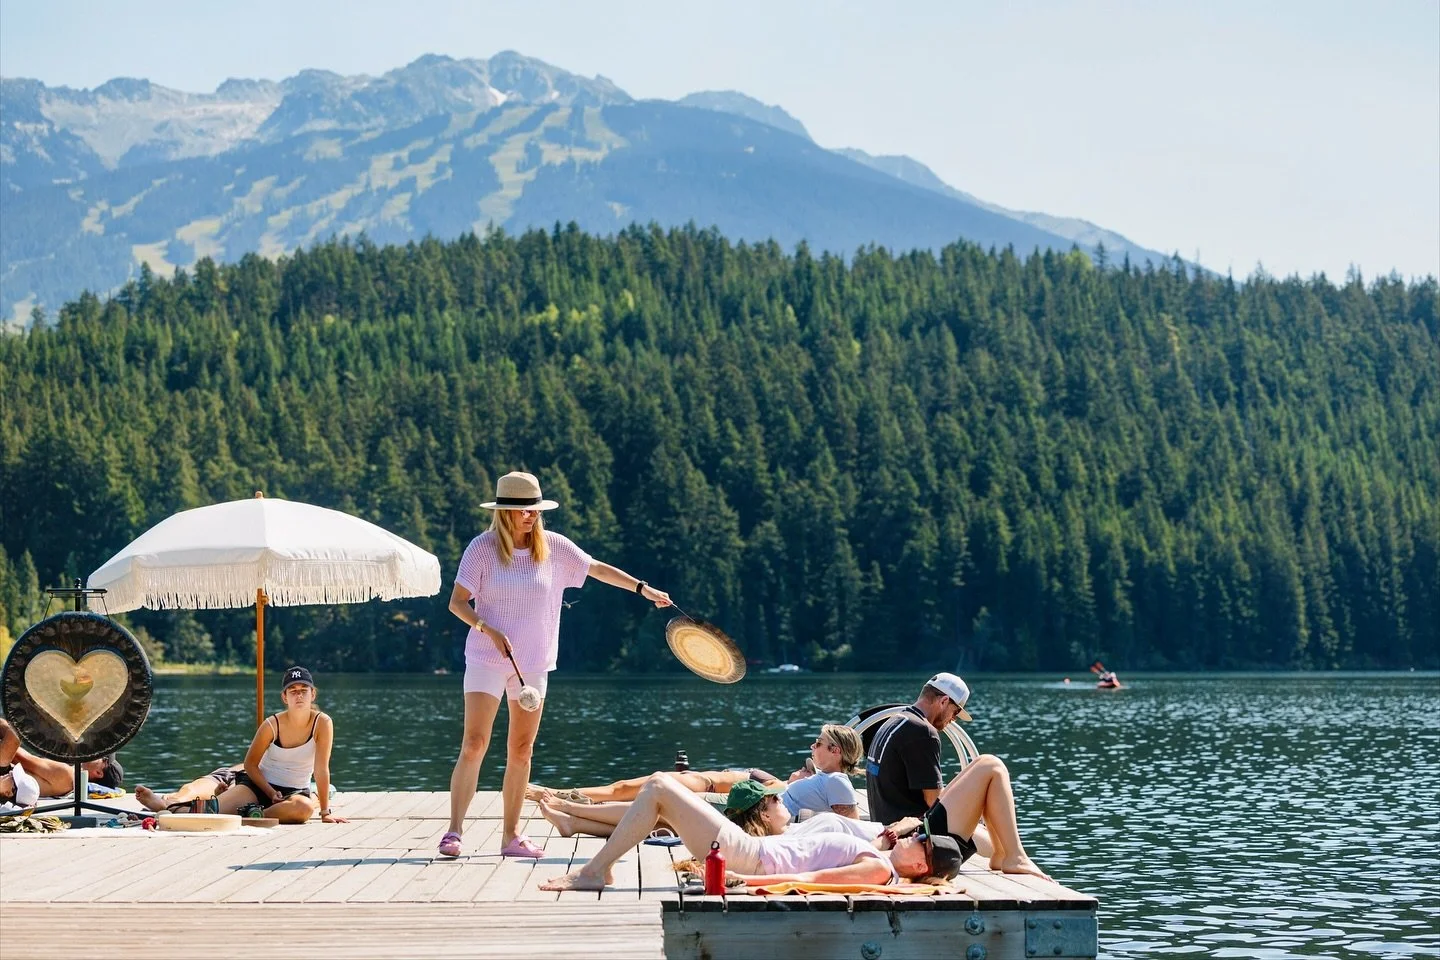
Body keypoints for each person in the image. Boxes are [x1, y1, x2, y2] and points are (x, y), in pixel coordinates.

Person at [439, 471, 672, 860]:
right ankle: (454, 831)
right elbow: (457, 602)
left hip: (533, 664)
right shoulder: (481, 549)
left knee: (522, 749)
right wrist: (487, 627)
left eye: (535, 510)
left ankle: (510, 836)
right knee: (475, 743)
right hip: (486, 657)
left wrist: (641, 588)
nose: (531, 516)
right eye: (524, 511)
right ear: (504, 513)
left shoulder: (555, 548)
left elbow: (596, 568)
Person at [537, 776, 967, 891]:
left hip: (749, 857)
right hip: (750, 848)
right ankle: (593, 859)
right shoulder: (878, 855)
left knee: (660, 789)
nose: (914, 837)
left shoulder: (877, 870)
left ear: (920, 865)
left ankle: (595, 869)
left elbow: (811, 881)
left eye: (921, 842)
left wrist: (741, 883)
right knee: (658, 795)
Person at [527, 723, 865, 818]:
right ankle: (571, 805)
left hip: (756, 802)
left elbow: (847, 826)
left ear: (835, 751)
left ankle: (572, 807)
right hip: (754, 794)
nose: (811, 749)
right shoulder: (824, 779)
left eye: (818, 744)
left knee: (659, 803)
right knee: (653, 796)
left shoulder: (836, 783)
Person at [865, 673, 995, 858]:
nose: (953, 719)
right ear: (944, 701)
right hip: (915, 838)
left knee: (987, 832)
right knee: (1000, 847)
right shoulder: (923, 732)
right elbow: (933, 801)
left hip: (889, 827)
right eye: (956, 712)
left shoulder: (894, 720)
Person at [217, 666, 345, 824]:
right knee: (211, 811)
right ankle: (235, 801)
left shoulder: (323, 723)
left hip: (295, 792)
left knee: (304, 808)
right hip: (259, 787)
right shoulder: (271, 724)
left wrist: (325, 813)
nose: (299, 695)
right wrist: (270, 792)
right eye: (293, 691)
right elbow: (250, 764)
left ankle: (254, 814)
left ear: (313, 694)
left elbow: (321, 769)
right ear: (284, 697)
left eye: (304, 690)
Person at [0, 717, 124, 805]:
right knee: (11, 729)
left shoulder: (67, 774)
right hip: (6, 774)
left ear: (99, 773)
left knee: (14, 732)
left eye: (103, 758)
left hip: (6, 781)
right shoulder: (70, 778)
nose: (96, 754)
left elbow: (18, 757)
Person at [134, 764, 243, 813]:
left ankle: (224, 797)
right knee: (191, 790)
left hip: (247, 781)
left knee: (238, 790)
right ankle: (170, 803)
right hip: (230, 772)